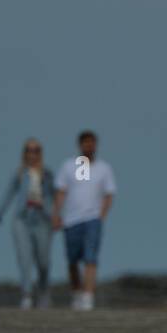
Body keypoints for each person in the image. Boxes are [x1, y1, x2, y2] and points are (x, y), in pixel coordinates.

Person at [0, 138, 56, 309]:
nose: (32, 154)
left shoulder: (47, 174)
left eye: (36, 150)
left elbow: (57, 198)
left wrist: (58, 217)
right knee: (24, 258)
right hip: (22, 220)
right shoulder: (19, 174)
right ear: (24, 153)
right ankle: (26, 294)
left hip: (43, 220)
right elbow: (7, 196)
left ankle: (44, 291)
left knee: (43, 261)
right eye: (28, 150)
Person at [53, 130, 117, 310]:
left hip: (92, 219)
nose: (89, 146)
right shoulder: (68, 166)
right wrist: (56, 214)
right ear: (80, 144)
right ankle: (77, 293)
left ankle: (88, 296)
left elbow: (109, 194)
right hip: (71, 220)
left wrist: (101, 216)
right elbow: (61, 192)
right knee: (73, 260)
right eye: (86, 142)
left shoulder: (104, 168)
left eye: (92, 142)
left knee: (91, 258)